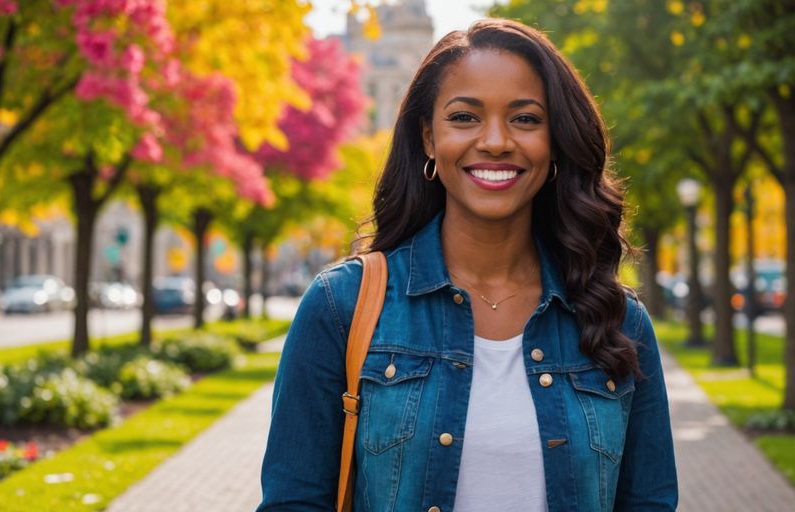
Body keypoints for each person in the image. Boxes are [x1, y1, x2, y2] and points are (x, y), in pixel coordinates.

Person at [258, 18, 677, 512]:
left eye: (525, 119)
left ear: (556, 143)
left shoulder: (618, 321)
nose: (496, 140)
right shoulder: (341, 307)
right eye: (464, 117)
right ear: (429, 139)